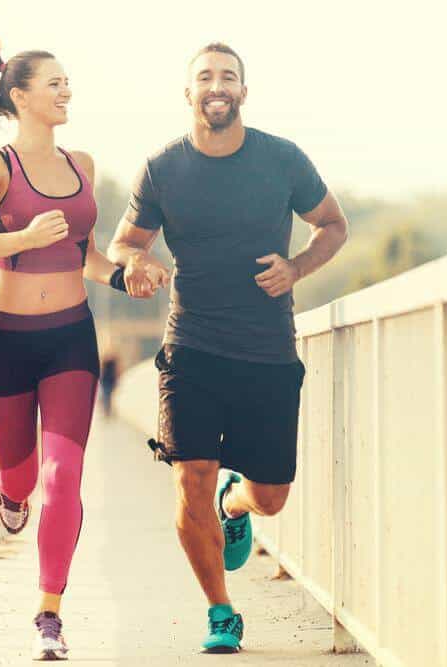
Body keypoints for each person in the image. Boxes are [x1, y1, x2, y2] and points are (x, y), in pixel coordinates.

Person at [107, 42, 349, 654]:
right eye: (206, 77)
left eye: (229, 77)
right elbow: (123, 243)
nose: (217, 86)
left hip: (267, 348)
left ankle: (235, 505)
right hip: (190, 346)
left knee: (271, 496)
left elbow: (333, 224)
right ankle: (220, 610)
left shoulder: (282, 159)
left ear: (244, 91)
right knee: (190, 475)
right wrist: (138, 262)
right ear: (188, 93)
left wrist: (296, 268)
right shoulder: (164, 168)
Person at [0, 36, 129, 660]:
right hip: (3, 340)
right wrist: (20, 235)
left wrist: (127, 276)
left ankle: (49, 612)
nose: (66, 91)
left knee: (64, 475)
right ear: (20, 96)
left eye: (67, 81)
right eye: (54, 83)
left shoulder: (84, 165)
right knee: (22, 479)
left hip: (70, 340)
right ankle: (9, 494)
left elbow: (87, 255)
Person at [98, 352, 118, 416]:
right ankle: (107, 410)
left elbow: (102, 372)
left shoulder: (109, 363)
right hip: (108, 382)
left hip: (108, 382)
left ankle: (107, 410)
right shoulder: (110, 363)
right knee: (107, 396)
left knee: (106, 396)